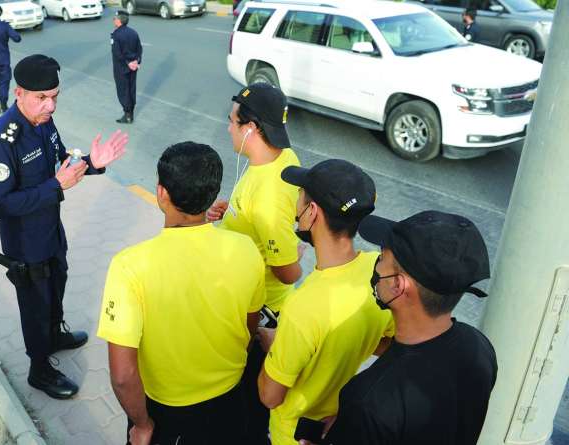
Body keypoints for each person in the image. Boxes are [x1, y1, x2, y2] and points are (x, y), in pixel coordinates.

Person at [97, 142, 266, 445]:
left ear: (162, 193)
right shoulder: (246, 250)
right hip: (230, 400)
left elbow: (123, 375)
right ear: (212, 194)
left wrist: (142, 424)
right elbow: (249, 326)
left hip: (168, 412)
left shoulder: (129, 266)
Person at [0, 54, 128, 399]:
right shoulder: (3, 139)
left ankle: (56, 334)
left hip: (51, 231)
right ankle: (39, 368)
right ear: (19, 93)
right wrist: (56, 187)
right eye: (41, 97)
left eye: (55, 96)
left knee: (57, 286)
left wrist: (93, 164)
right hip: (24, 244)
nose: (50, 105)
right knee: (35, 305)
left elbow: (63, 160)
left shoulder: (45, 123)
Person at [325, 210, 498, 445]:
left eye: (381, 258)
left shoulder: (369, 400)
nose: (376, 267)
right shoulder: (478, 346)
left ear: (398, 285)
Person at [256, 159, 395, 445]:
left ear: (312, 212)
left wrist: (273, 343)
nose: (295, 205)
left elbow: (270, 396)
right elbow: (393, 346)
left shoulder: (303, 307)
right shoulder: (379, 273)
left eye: (300, 196)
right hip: (335, 424)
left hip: (291, 434)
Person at [206, 83, 302, 444]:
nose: (227, 128)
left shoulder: (266, 197)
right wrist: (232, 209)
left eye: (231, 122)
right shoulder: (282, 159)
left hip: (261, 314)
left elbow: (289, 271)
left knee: (249, 404)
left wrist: (294, 255)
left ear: (251, 128)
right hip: (251, 297)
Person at [111, 10, 142, 124]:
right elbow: (139, 49)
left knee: (123, 91)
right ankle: (131, 114)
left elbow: (117, 53)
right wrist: (136, 61)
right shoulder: (133, 32)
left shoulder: (116, 35)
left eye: (115, 18)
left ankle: (127, 115)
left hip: (121, 68)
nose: (113, 20)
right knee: (131, 89)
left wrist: (127, 63)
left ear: (119, 20)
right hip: (133, 67)